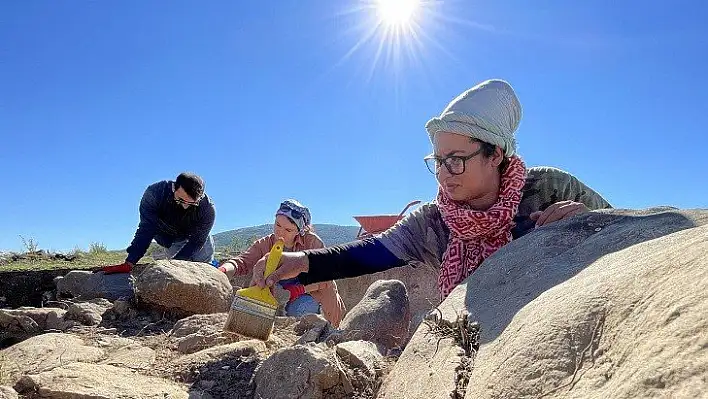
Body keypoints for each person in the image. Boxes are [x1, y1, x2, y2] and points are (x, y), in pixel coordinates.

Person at [251, 79, 612, 300]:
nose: (443, 174)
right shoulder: (434, 222)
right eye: (437, 161)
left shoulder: (549, 187)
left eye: (455, 160)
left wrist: (590, 222)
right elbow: (373, 251)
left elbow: (630, 231)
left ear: (495, 154)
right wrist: (303, 261)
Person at [218, 199, 346, 327]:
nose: (280, 232)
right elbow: (241, 262)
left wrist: (297, 290)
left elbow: (326, 278)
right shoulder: (266, 243)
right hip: (280, 294)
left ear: (300, 230)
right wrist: (221, 272)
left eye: (288, 230)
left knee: (302, 312)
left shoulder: (312, 243)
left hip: (311, 294)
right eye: (277, 225)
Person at [102, 172, 216, 274]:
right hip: (169, 239)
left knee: (204, 270)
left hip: (196, 237)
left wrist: (174, 265)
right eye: (180, 200)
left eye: (191, 204)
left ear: (200, 198)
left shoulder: (207, 209)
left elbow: (196, 241)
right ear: (173, 188)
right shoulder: (155, 194)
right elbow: (147, 229)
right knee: (177, 274)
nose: (185, 207)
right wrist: (130, 262)